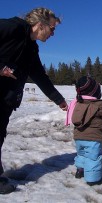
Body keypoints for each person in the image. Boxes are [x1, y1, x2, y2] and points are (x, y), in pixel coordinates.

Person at [0, 8, 68, 194]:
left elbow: (39, 76)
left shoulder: (31, 47)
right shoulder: (11, 27)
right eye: (52, 28)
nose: (53, 33)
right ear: (40, 25)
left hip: (6, 99)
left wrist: (58, 100)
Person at [65, 76, 102, 186]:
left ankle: (80, 171)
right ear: (95, 92)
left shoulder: (77, 103)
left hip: (78, 138)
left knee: (81, 154)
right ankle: (93, 179)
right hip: (92, 139)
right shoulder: (98, 105)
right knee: (92, 158)